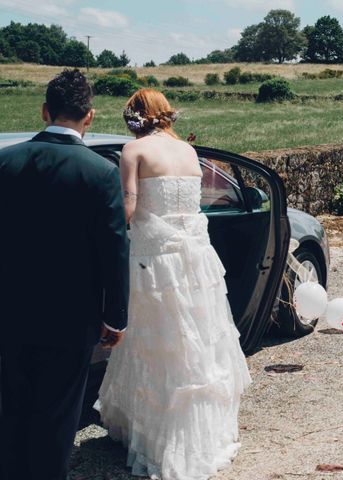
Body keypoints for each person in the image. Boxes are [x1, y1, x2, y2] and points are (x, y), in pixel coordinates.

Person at [96, 88, 251, 480]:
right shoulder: (188, 153)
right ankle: (199, 434)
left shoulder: (134, 151)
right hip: (195, 260)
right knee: (195, 342)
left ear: (134, 118)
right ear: (166, 114)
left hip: (154, 260)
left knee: (158, 342)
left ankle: (161, 438)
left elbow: (128, 207)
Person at [0, 69, 130, 480]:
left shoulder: (5, 162)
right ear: (88, 117)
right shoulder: (99, 172)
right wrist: (115, 317)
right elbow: (115, 250)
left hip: (9, 313)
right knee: (56, 420)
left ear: (44, 111)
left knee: (11, 411)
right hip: (70, 319)